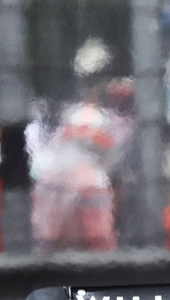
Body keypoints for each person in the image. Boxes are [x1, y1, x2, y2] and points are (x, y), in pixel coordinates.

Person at [31, 103, 118, 252]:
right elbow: (98, 237)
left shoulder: (46, 176)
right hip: (81, 265)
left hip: (43, 259)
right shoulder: (93, 181)